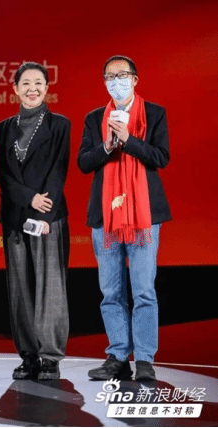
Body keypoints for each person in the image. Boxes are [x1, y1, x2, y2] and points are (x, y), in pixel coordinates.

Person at [78, 55, 171, 381]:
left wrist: (129, 140)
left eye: (122, 75)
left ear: (135, 79)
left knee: (144, 291)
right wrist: (106, 146)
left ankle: (144, 358)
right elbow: (83, 163)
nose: (116, 81)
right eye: (109, 76)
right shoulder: (94, 118)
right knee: (111, 292)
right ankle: (118, 356)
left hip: (144, 215)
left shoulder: (155, 114)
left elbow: (160, 157)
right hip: (106, 215)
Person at [0, 62, 71, 380]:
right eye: (25, 83)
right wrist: (28, 198)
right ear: (15, 89)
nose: (32, 88)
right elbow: (1, 173)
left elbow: (59, 170)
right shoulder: (3, 129)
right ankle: (28, 356)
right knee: (20, 290)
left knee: (50, 288)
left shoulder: (60, 125)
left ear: (47, 88)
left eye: (38, 82)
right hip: (15, 216)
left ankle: (50, 356)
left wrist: (42, 209)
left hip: (48, 216)